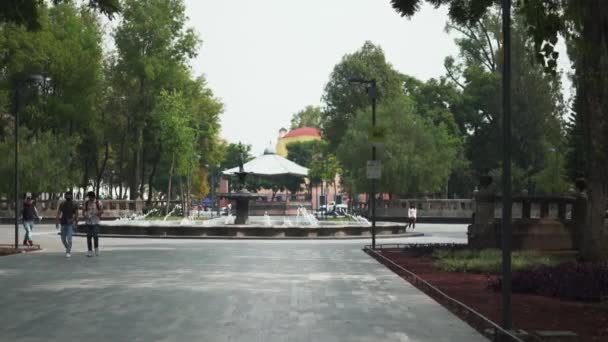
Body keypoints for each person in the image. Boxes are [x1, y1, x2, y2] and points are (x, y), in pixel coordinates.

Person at [56, 192, 78, 258]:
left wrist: (73, 220)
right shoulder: (62, 204)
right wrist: (57, 222)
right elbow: (58, 213)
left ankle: (68, 252)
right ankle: (68, 247)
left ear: (71, 196)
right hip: (63, 223)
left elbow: (76, 214)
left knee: (69, 239)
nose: (68, 196)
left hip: (70, 224)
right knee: (63, 239)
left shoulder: (74, 204)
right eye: (67, 195)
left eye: (69, 195)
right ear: (65, 196)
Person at [83, 191, 104, 257]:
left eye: (91, 197)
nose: (90, 199)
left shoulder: (98, 203)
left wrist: (96, 213)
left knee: (95, 235)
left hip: (95, 222)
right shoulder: (86, 203)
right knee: (88, 236)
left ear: (94, 197)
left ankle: (96, 249)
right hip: (88, 222)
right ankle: (90, 251)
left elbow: (102, 211)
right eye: (89, 197)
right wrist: (86, 215)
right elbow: (83, 212)